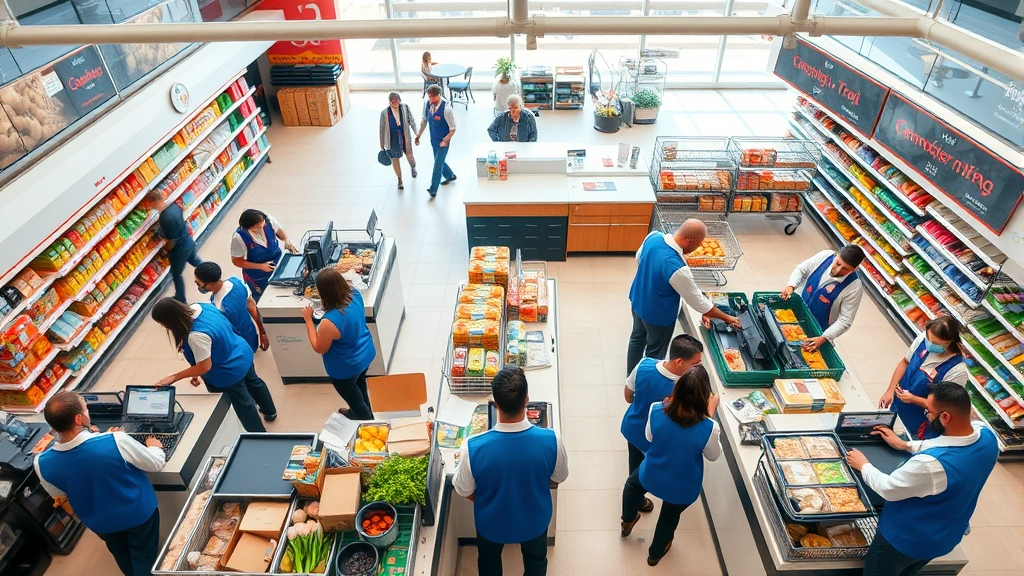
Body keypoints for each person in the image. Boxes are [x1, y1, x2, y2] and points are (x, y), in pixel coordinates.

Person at [847, 382, 998, 576]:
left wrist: (864, 465)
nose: (927, 415)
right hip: (945, 536)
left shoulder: (930, 465)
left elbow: (888, 488)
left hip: (904, 541)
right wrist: (905, 445)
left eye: (928, 411)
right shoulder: (987, 437)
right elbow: (949, 444)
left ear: (945, 417)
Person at [453, 367, 568, 576]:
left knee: (489, 562)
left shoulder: (472, 448)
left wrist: (490, 498)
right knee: (536, 562)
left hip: (491, 523)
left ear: (495, 404)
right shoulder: (552, 441)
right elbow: (557, 479)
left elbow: (463, 489)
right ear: (527, 400)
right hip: (535, 520)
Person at [35, 392, 166, 576]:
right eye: (86, 408)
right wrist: (155, 446)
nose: (88, 411)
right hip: (138, 514)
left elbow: (60, 492)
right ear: (79, 419)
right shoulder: (115, 441)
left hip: (101, 523)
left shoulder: (41, 463)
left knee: (121, 554)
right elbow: (155, 463)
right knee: (145, 557)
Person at [620, 365, 721, 567]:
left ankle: (628, 521)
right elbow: (713, 455)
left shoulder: (657, 409)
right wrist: (709, 415)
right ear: (704, 396)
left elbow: (649, 437)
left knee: (632, 486)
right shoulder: (709, 427)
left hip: (652, 472)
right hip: (682, 485)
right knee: (669, 515)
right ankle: (655, 554)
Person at [627, 219, 739, 376]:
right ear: (690, 240)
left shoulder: (653, 237)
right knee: (654, 352)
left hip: (638, 299)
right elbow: (697, 302)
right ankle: (647, 380)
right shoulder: (676, 267)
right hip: (658, 316)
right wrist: (727, 318)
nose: (698, 247)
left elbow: (639, 258)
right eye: (699, 243)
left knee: (637, 338)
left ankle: (631, 376)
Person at [151, 298, 276, 431]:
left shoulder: (196, 335)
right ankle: (270, 412)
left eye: (161, 322)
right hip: (242, 352)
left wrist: (174, 377)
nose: (162, 326)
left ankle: (258, 436)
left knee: (244, 404)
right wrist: (196, 371)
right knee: (255, 382)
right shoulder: (200, 307)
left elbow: (205, 366)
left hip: (229, 372)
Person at [620, 334, 703, 513]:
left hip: (633, 427)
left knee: (634, 463)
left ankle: (635, 501)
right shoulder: (685, 389)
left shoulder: (644, 364)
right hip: (656, 439)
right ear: (680, 361)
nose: (699, 367)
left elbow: (628, 396)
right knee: (651, 468)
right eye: (696, 364)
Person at [302, 268, 376, 420]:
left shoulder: (329, 322)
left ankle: (365, 420)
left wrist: (309, 321)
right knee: (360, 385)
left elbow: (319, 347)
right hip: (365, 354)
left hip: (346, 368)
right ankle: (362, 408)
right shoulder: (355, 294)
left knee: (354, 398)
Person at [880, 316, 967, 440]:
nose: (930, 344)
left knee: (908, 446)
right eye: (928, 339)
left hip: (922, 424)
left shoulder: (957, 370)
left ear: (949, 342)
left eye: (936, 343)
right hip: (899, 406)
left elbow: (945, 408)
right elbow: (905, 362)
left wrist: (913, 399)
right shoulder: (923, 340)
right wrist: (890, 390)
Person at [780, 244, 866, 352]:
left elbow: (845, 320)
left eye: (845, 268)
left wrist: (824, 337)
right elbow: (801, 269)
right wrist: (791, 285)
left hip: (817, 329)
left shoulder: (854, 287)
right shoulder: (824, 257)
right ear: (836, 255)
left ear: (854, 269)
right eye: (838, 263)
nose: (838, 270)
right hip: (792, 312)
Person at [194, 261, 268, 353]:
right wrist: (262, 332)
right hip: (250, 334)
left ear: (209, 284)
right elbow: (251, 305)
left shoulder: (221, 307)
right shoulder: (237, 282)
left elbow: (223, 332)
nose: (198, 287)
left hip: (238, 345)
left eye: (198, 284)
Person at [230, 209, 298, 302]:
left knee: (282, 290)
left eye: (262, 226)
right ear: (248, 228)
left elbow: (279, 231)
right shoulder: (239, 237)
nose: (261, 230)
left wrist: (287, 240)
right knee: (264, 298)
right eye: (257, 229)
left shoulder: (268, 220)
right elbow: (237, 261)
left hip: (277, 262)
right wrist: (261, 266)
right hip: (258, 274)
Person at [149, 190, 201, 303]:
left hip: (180, 250)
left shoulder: (164, 218)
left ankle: (181, 298)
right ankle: (212, 273)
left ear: (154, 202)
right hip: (188, 241)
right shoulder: (174, 207)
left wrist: (166, 250)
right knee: (195, 261)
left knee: (176, 274)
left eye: (150, 204)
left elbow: (172, 241)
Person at [415, 84, 457, 199]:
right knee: (439, 161)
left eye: (434, 97)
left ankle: (433, 190)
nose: (431, 99)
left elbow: (453, 129)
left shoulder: (447, 109)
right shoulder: (428, 104)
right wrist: (418, 136)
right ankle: (450, 175)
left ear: (440, 95)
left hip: (443, 142)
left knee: (437, 164)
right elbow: (424, 121)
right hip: (433, 139)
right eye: (430, 97)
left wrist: (445, 140)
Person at [379, 92, 419, 190]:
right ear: (389, 102)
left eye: (396, 101)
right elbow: (382, 129)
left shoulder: (405, 108)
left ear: (400, 101)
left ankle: (413, 167)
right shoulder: (384, 113)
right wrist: (382, 144)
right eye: (392, 102)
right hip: (392, 139)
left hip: (405, 137)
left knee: (410, 156)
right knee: (395, 160)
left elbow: (412, 121)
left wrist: (417, 134)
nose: (395, 103)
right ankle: (400, 179)